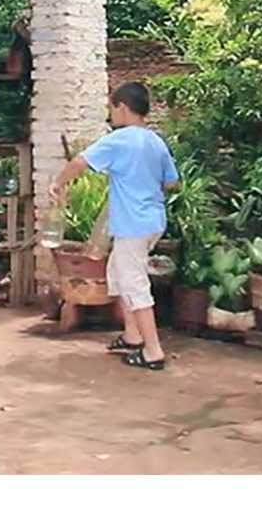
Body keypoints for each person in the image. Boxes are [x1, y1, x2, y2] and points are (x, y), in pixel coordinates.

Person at [52, 82, 179, 371]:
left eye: (111, 108)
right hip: (152, 221)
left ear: (122, 107)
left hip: (133, 224)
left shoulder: (119, 140)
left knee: (134, 283)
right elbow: (171, 181)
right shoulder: (156, 141)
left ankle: (153, 351)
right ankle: (133, 336)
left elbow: (79, 162)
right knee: (118, 273)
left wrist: (58, 184)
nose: (111, 114)